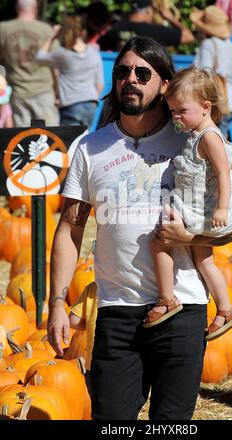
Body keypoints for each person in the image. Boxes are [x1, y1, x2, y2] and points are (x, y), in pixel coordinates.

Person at [48, 36, 210, 421]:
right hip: (117, 311)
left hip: (182, 308)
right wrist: (56, 302)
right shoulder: (89, 148)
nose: (131, 80)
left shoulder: (193, 143)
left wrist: (190, 237)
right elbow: (70, 229)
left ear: (164, 84)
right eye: (122, 72)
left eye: (142, 72)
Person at [143, 67, 232, 341]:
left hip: (203, 209)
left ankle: (167, 298)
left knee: (158, 241)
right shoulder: (198, 134)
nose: (175, 117)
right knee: (204, 260)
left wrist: (222, 208)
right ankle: (226, 309)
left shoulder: (209, 137)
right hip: (202, 207)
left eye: (181, 111)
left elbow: (225, 172)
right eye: (172, 110)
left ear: (205, 107)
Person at [191, 5, 232, 204]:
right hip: (231, 104)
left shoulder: (208, 45)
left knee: (218, 157)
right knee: (220, 154)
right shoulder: (230, 46)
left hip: (215, 104)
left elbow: (202, 74)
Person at [35, 16, 104, 128]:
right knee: (84, 142)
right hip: (91, 104)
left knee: (69, 143)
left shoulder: (62, 54)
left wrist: (52, 37)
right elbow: (100, 85)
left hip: (71, 105)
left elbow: (39, 57)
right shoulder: (94, 52)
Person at [0, 0, 58, 127]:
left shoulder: (3, 28)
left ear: (16, 7)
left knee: (21, 139)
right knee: (50, 136)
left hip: (17, 92)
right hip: (44, 91)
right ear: (35, 8)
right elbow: (56, 65)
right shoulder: (46, 30)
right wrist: (58, 92)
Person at [98, 0, 195, 52]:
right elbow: (189, 37)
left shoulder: (115, 29)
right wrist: (171, 18)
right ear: (148, 11)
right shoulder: (156, 31)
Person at [69, 281, 98, 395]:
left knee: (96, 406)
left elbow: (73, 320)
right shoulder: (132, 288)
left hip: (93, 363)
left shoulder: (92, 288)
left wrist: (90, 325)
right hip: (124, 362)